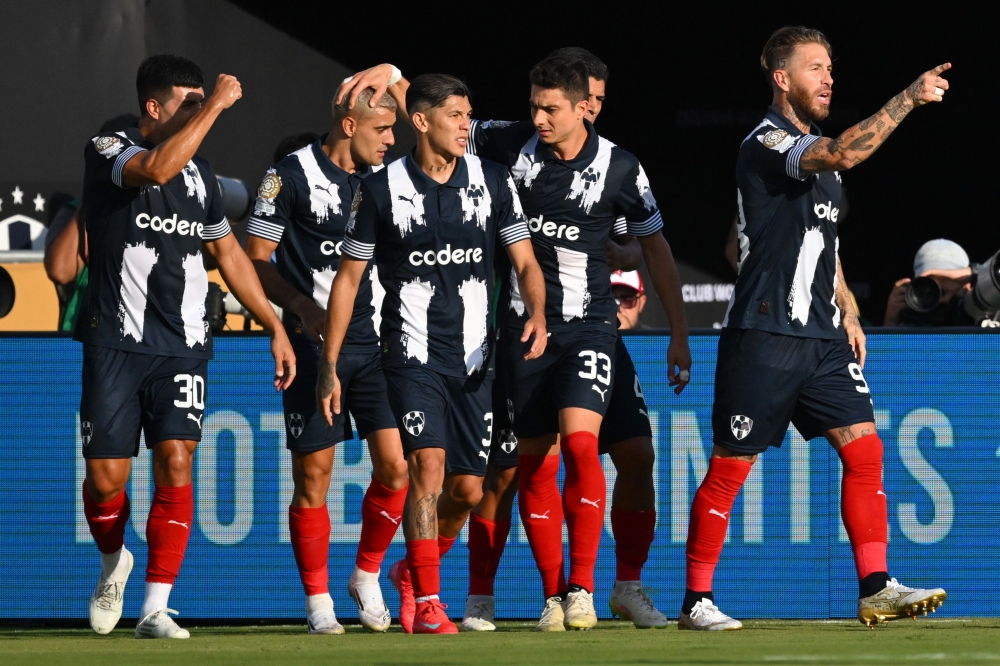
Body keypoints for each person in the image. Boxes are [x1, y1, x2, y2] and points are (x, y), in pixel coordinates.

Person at [340, 55, 691, 630]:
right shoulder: (508, 146)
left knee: (593, 448)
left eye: (551, 107)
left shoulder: (622, 168)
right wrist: (391, 71)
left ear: (584, 107)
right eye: (534, 106)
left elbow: (654, 247)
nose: (538, 117)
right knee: (514, 470)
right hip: (515, 335)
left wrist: (678, 330)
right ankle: (529, 594)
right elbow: (431, 112)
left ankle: (590, 586)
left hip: (591, 328)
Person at [681, 26, 948, 631]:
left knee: (866, 450)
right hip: (767, 334)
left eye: (831, 67)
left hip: (824, 338)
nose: (828, 78)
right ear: (782, 79)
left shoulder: (818, 168)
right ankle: (696, 600)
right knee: (730, 466)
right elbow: (844, 153)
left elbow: (818, 238)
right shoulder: (769, 140)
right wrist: (907, 98)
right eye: (815, 68)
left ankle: (876, 586)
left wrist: (847, 304)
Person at [316, 73, 546, 634]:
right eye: (456, 117)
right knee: (428, 467)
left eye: (469, 117)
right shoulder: (378, 189)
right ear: (421, 121)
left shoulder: (493, 180)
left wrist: (537, 311)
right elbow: (348, 280)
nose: (467, 126)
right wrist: (329, 363)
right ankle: (428, 602)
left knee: (467, 490)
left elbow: (525, 262)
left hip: (476, 358)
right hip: (410, 354)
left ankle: (411, 574)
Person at [77, 54, 295, 640]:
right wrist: (219, 105)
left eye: (205, 101)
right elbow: (150, 170)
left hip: (184, 344)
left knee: (177, 459)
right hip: (116, 340)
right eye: (189, 103)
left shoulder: (201, 177)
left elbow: (228, 256)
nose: (203, 112)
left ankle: (156, 606)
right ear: (155, 107)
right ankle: (112, 562)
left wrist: (274, 326)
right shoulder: (112, 144)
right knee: (105, 479)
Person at [245, 89, 406, 634]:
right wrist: (299, 308)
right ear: (347, 124)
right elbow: (254, 261)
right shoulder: (287, 176)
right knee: (314, 475)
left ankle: (366, 575)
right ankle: (317, 603)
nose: (391, 139)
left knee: (398, 468)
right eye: (382, 129)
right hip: (314, 349)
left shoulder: (390, 180)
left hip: (381, 346)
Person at [883, 239, 974, 326]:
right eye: (929, 286)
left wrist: (975, 276)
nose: (938, 297)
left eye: (947, 278)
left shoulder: (978, 317)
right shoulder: (909, 323)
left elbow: (988, 273)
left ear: (966, 285)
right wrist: (891, 321)